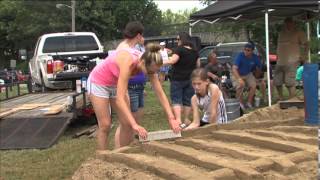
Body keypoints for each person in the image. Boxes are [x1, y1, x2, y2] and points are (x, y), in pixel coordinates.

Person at [87, 21, 181, 150]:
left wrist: (171, 118)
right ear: (142, 62)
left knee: (126, 123)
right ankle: (102, 158)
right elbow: (120, 99)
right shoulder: (127, 60)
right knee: (105, 125)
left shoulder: (150, 63)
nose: (150, 74)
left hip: (114, 83)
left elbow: (160, 93)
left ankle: (122, 153)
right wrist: (135, 125)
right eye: (149, 72)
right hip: (99, 82)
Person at [163, 32, 200, 126]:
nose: (177, 41)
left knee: (176, 100)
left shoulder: (179, 49)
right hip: (190, 79)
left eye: (178, 39)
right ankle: (186, 119)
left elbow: (172, 61)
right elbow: (198, 65)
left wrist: (159, 62)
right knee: (188, 100)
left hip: (177, 79)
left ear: (183, 39)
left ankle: (178, 120)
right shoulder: (195, 51)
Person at [274, 17, 308, 100]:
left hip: (293, 60)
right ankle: (280, 98)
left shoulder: (299, 32)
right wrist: (277, 55)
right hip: (280, 61)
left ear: (293, 23)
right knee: (277, 81)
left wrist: (304, 56)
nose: (288, 24)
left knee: (290, 82)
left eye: (290, 22)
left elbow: (306, 44)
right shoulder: (281, 33)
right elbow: (279, 45)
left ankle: (292, 99)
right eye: (286, 22)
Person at [232, 42, 262, 110]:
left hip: (248, 74)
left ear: (252, 51)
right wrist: (239, 79)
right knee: (240, 85)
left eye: (248, 50)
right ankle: (240, 104)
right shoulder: (240, 56)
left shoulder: (255, 57)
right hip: (237, 73)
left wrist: (257, 77)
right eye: (245, 49)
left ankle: (249, 102)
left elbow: (259, 69)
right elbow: (234, 68)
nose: (246, 51)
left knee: (253, 85)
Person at [128, 36, 146, 132]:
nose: (143, 39)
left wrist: (144, 88)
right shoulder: (131, 54)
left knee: (140, 107)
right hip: (132, 87)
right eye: (141, 37)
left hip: (140, 87)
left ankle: (138, 128)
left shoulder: (142, 51)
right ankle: (133, 129)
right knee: (134, 109)